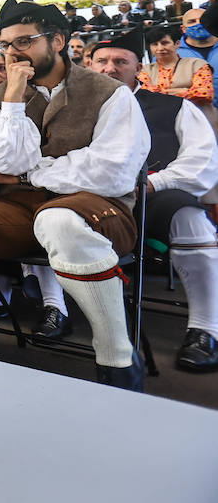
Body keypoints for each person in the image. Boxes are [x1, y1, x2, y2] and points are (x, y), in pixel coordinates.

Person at [0, 0, 149, 391]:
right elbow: (0, 161)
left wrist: (36, 171)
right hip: (21, 207)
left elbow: (113, 169)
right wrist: (13, 98)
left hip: (100, 206)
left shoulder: (111, 94)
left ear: (59, 40)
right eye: (5, 44)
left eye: (25, 41)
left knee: (58, 219)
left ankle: (117, 355)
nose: (13, 52)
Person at [71, 29, 218, 371]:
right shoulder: (72, 111)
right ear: (90, 65)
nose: (110, 68)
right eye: (102, 61)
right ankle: (55, 309)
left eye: (120, 61)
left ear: (139, 66)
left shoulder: (174, 107)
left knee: (187, 215)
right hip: (88, 204)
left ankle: (206, 330)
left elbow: (202, 162)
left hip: (151, 201)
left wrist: (154, 184)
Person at [143, 26, 213, 108]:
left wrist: (159, 92)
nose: (160, 48)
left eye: (164, 43)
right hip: (161, 118)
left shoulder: (197, 65)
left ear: (177, 44)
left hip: (196, 117)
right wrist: (184, 90)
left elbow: (204, 94)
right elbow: (144, 95)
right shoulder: (145, 70)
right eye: (155, 44)